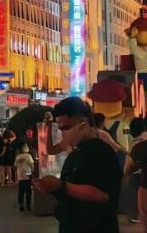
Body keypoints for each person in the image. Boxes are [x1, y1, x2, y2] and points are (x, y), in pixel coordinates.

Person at [34, 96, 122, 233]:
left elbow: (103, 194)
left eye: (66, 128)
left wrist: (61, 186)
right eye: (61, 129)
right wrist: (53, 187)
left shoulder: (101, 151)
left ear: (83, 124)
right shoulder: (76, 152)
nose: (63, 133)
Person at [124, 117, 147, 225]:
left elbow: (129, 165)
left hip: (138, 175)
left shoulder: (136, 143)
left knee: (134, 196)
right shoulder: (144, 139)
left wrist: (125, 173)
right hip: (141, 173)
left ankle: (134, 216)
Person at [14, 143, 34, 211]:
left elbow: (15, 166)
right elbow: (32, 165)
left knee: (21, 191)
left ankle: (21, 205)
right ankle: (28, 205)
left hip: (20, 175)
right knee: (28, 191)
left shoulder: (18, 156)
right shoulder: (28, 156)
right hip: (28, 174)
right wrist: (33, 171)